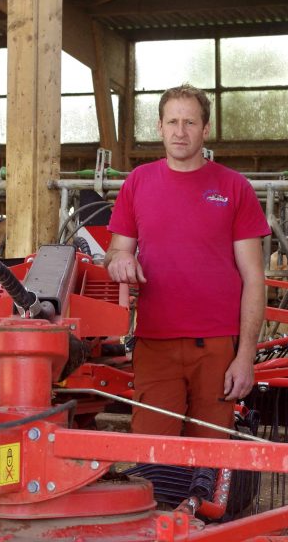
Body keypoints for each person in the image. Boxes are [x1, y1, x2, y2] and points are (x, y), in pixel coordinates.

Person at [104, 84, 270, 439]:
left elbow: (255, 279)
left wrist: (245, 357)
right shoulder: (137, 183)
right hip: (154, 342)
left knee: (209, 457)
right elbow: (117, 250)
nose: (181, 131)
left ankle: (202, 498)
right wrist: (118, 261)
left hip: (216, 347)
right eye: (173, 122)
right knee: (153, 453)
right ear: (159, 127)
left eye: (190, 123)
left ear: (205, 129)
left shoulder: (234, 187)